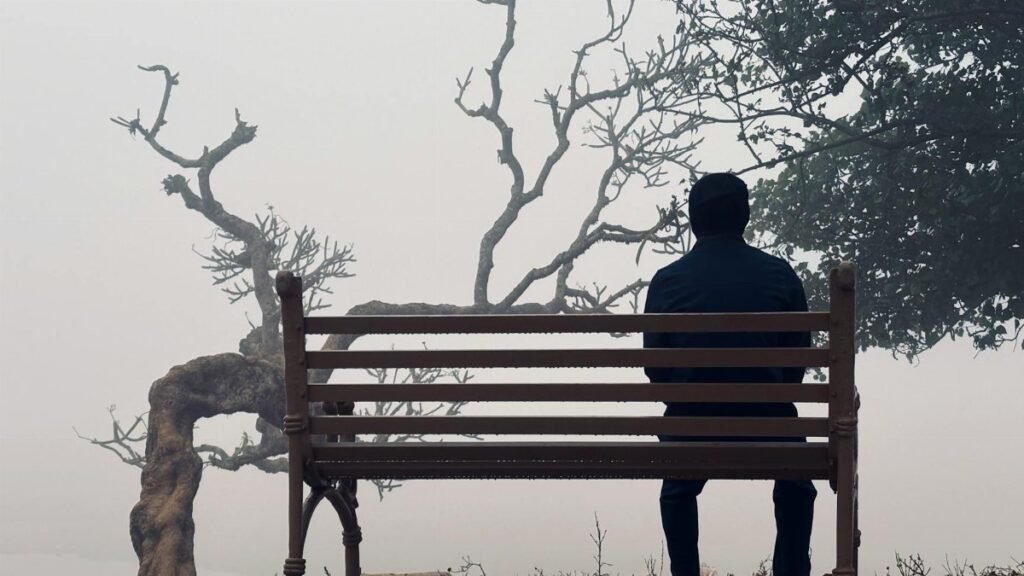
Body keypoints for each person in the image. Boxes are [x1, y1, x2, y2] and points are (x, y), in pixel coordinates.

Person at [643, 173, 816, 576]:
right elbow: (797, 362)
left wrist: (690, 397)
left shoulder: (668, 281)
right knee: (797, 486)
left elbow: (656, 365)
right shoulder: (779, 274)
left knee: (677, 488)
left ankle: (685, 572)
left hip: (690, 427)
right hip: (770, 423)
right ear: (745, 217)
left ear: (692, 220)